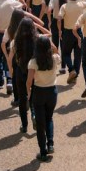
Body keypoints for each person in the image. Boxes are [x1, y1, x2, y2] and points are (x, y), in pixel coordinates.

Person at [29, 34, 61, 162]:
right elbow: (57, 52)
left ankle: (43, 152)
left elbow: (28, 81)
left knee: (40, 124)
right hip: (52, 92)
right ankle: (51, 144)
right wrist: (52, 45)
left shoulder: (33, 62)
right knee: (49, 118)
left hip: (38, 92)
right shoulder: (54, 59)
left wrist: (29, 91)